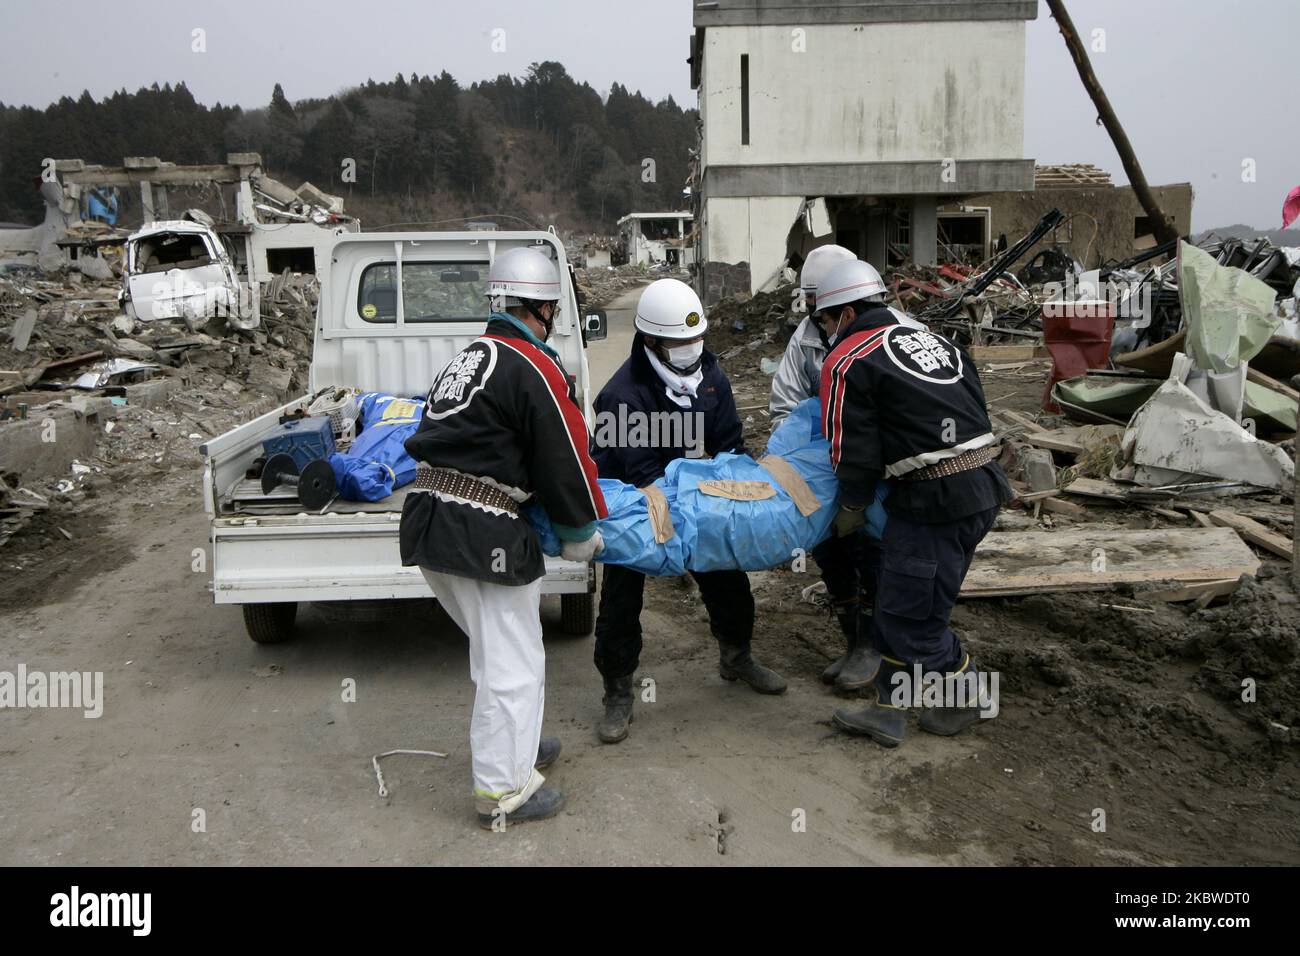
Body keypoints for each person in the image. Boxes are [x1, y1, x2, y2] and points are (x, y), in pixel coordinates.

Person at [400, 246, 608, 827]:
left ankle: (519, 742)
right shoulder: (532, 365)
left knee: (498, 651)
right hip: (480, 528)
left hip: (431, 520)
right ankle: (504, 789)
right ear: (541, 307)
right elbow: (565, 455)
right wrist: (581, 530)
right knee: (512, 662)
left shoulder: (471, 356)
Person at [813, 258, 1013, 747]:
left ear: (844, 311)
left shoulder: (846, 360)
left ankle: (970, 693)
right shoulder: (936, 342)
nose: (824, 331)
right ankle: (889, 709)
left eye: (824, 320)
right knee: (908, 602)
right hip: (983, 487)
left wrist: (853, 508)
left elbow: (850, 451)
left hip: (933, 502)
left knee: (910, 619)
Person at [591, 278, 787, 744]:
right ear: (653, 341)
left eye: (696, 338)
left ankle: (736, 656)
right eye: (680, 342)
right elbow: (640, 473)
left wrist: (730, 497)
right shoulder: (625, 394)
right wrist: (686, 504)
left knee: (728, 579)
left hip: (692, 493)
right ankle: (617, 690)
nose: (690, 348)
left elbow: (730, 446)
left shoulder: (712, 379)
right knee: (621, 597)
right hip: (633, 502)